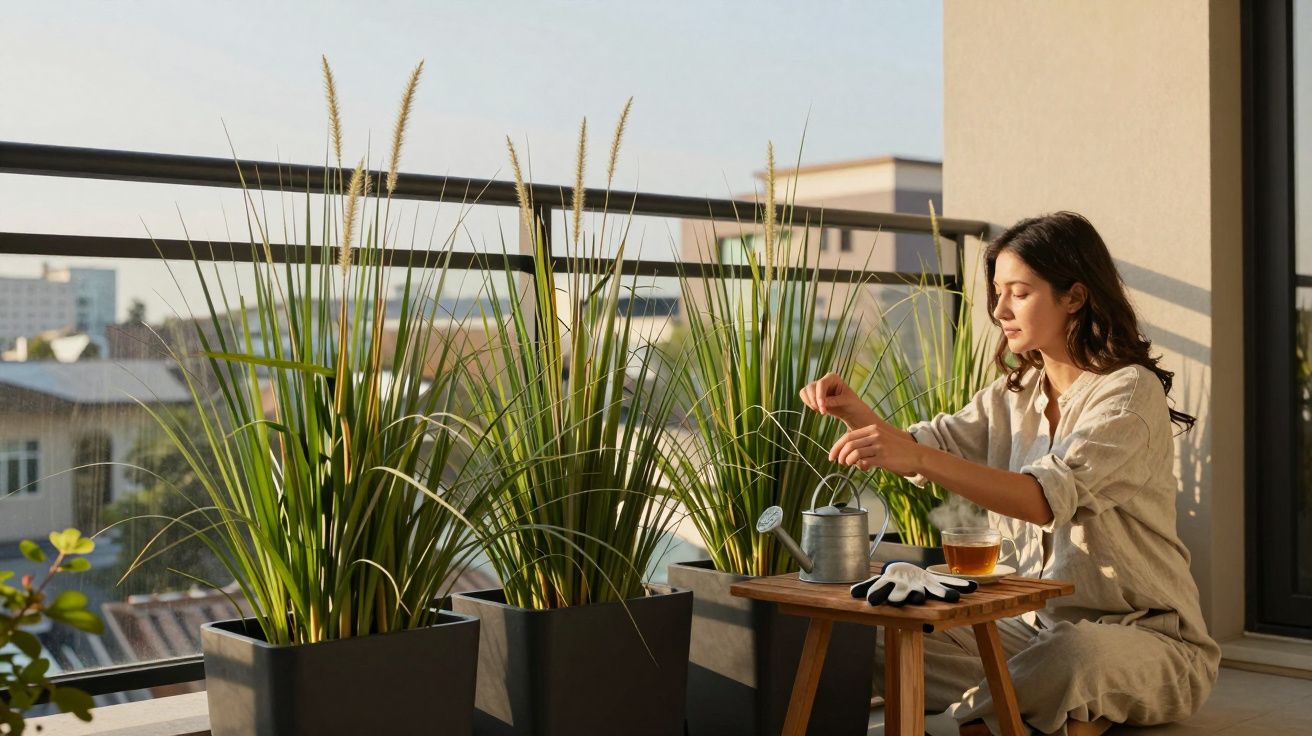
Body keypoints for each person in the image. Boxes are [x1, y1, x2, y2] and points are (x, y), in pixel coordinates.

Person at [799, 212, 1220, 736]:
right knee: (878, 629)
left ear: (1074, 296)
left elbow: (1043, 500)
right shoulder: (1013, 394)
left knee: (1075, 655)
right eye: (997, 292)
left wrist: (920, 458)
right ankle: (1045, 713)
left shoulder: (1129, 391)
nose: (999, 310)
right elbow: (927, 446)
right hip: (1026, 635)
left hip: (1143, 641)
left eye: (1018, 293)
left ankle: (978, 719)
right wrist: (855, 413)